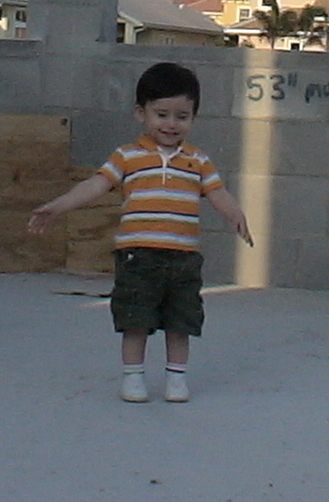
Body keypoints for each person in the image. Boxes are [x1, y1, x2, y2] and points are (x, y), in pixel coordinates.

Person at [28, 62, 253, 403]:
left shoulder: (199, 161)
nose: (171, 124)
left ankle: (176, 379)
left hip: (183, 259)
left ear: (193, 117)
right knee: (135, 320)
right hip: (138, 258)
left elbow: (218, 193)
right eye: (161, 114)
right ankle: (133, 378)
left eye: (182, 116)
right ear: (141, 113)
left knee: (181, 323)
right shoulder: (127, 157)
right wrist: (58, 206)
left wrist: (235, 215)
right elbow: (95, 185)